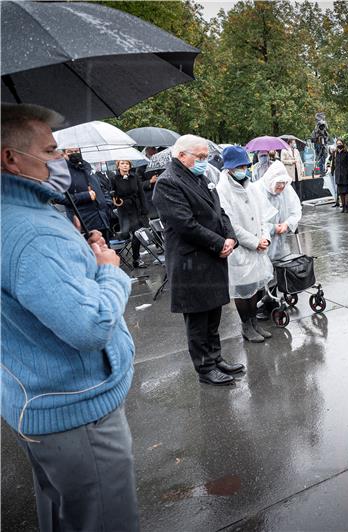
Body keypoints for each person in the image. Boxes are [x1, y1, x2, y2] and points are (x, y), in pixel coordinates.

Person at [1, 103, 139, 531]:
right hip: (79, 415)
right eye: (51, 151)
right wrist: (110, 271)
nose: (62, 159)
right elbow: (90, 326)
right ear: (10, 158)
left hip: (42, 405)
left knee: (67, 517)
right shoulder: (32, 232)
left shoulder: (22, 218)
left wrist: (81, 251)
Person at [152, 134, 243, 386]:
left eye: (206, 156)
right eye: (200, 157)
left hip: (212, 257)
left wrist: (230, 237)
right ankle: (205, 368)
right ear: (182, 155)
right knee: (198, 319)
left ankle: (216, 357)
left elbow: (219, 212)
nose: (204, 161)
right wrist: (218, 242)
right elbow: (185, 225)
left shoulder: (200, 177)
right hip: (191, 261)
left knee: (213, 314)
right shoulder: (168, 183)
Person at [216, 146, 275, 343]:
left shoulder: (250, 186)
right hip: (241, 249)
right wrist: (254, 242)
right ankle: (246, 326)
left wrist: (264, 236)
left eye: (245, 165)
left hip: (258, 247)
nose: (243, 169)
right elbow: (230, 224)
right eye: (239, 166)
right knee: (243, 290)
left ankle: (254, 323)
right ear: (230, 167)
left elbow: (263, 216)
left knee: (255, 288)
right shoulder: (222, 190)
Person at [255, 163, 302, 320]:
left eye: (284, 184)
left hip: (280, 238)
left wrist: (287, 224)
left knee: (276, 269)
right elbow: (254, 220)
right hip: (263, 239)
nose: (281, 187)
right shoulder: (257, 190)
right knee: (261, 272)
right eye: (279, 184)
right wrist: (272, 228)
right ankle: (260, 305)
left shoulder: (286, 189)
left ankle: (273, 299)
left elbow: (296, 210)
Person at [62, 147, 113, 239]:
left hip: (102, 219)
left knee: (105, 249)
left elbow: (99, 186)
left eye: (76, 151)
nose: (74, 153)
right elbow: (59, 197)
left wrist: (107, 203)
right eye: (70, 152)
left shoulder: (86, 166)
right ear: (64, 154)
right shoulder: (62, 171)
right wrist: (85, 196)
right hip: (84, 224)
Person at [112, 159, 149, 268]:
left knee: (138, 233)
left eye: (127, 163)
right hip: (124, 209)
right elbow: (111, 193)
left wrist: (144, 208)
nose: (125, 166)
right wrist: (113, 195)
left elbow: (141, 193)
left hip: (136, 207)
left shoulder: (135, 177)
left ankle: (136, 259)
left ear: (130, 166)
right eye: (122, 163)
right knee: (131, 233)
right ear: (118, 166)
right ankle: (134, 258)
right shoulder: (114, 178)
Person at [332, 138, 348, 213]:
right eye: (337, 144)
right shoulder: (335, 153)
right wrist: (332, 171)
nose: (339, 145)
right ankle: (343, 207)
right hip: (338, 175)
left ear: (343, 144)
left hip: (345, 174)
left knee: (346, 191)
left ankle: (346, 207)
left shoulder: (346, 152)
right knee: (341, 192)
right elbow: (333, 163)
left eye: (340, 143)